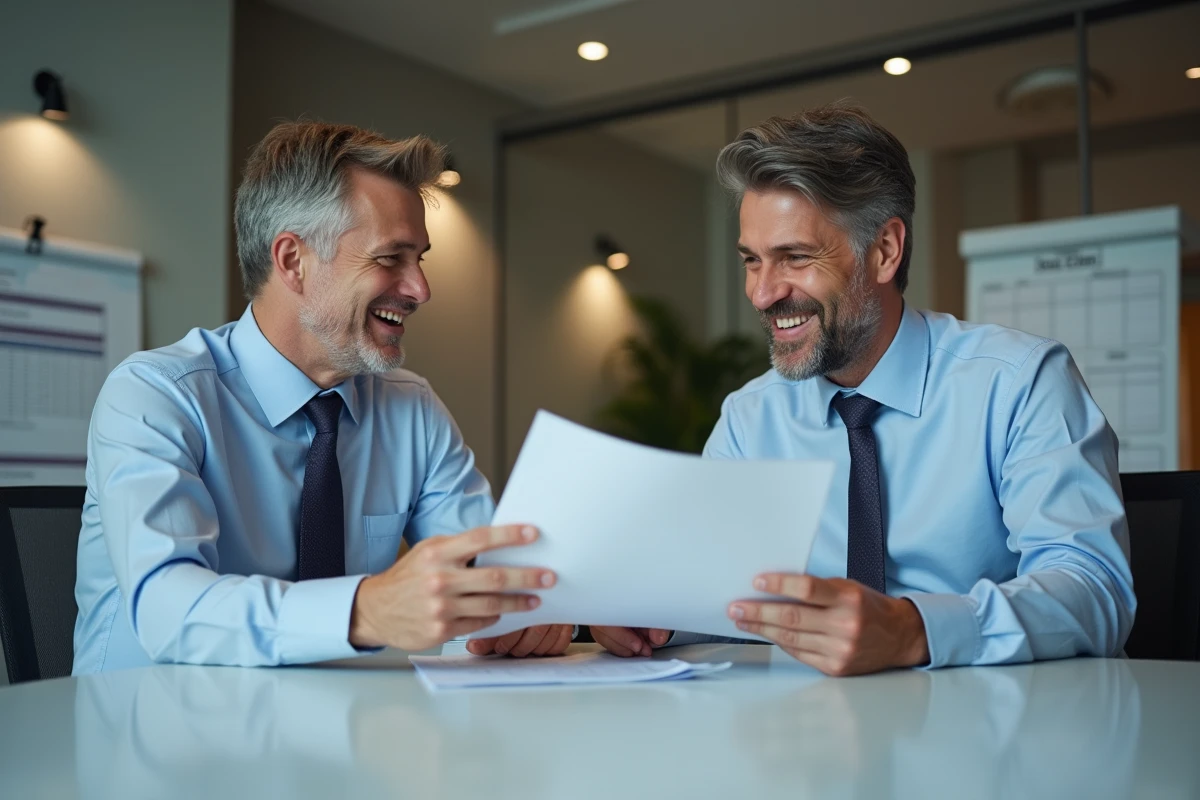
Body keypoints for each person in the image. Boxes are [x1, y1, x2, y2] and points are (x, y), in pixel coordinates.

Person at [593, 103, 1135, 674]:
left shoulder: (1020, 382)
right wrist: (653, 613)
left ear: (884, 251)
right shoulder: (751, 418)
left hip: (993, 735)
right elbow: (719, 588)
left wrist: (912, 629)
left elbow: (1094, 591)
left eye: (795, 258)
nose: (761, 293)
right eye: (752, 261)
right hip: (807, 741)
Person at [73, 122, 572, 673]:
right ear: (292, 261)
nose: (421, 290)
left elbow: (490, 573)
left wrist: (558, 608)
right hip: (151, 735)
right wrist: (367, 609)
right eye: (390, 258)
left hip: (338, 735)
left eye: (421, 259)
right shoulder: (154, 397)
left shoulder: (412, 409)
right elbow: (168, 609)